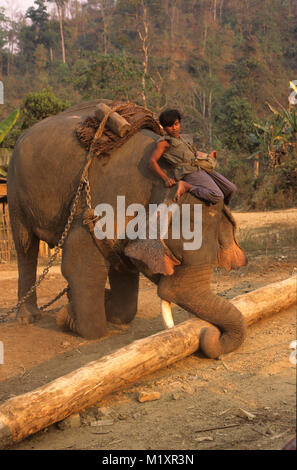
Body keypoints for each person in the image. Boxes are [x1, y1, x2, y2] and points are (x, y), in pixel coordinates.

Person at [149, 109, 237, 204]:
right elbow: (152, 161)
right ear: (164, 128)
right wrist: (166, 178)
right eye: (170, 126)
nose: (174, 128)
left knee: (231, 189)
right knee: (217, 195)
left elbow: (192, 154)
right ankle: (187, 187)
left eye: (176, 124)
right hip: (189, 172)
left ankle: (221, 210)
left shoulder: (182, 138)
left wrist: (208, 156)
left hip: (201, 167)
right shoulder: (164, 142)